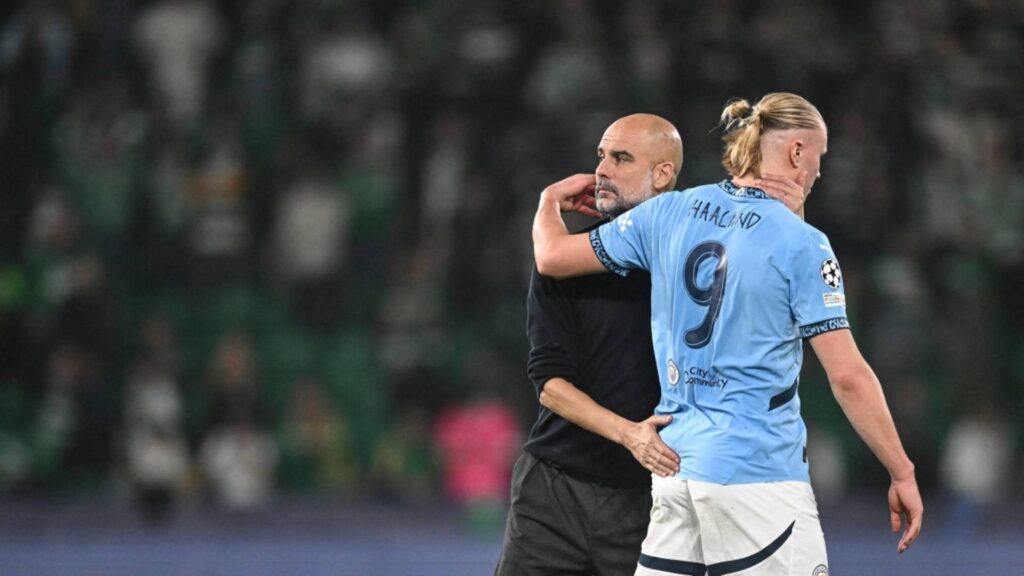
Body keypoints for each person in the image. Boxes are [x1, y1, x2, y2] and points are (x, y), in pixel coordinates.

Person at [532, 94, 923, 574]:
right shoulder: (804, 244)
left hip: (677, 469)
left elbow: (551, 257)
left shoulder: (670, 212)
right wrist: (901, 470)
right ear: (798, 153)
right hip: (757, 475)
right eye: (819, 158)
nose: (819, 173)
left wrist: (549, 201)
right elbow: (848, 378)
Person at [496, 113, 809, 575]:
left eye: (621, 158)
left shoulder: (706, 268)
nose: (602, 169)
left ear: (662, 175)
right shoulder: (565, 264)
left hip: (654, 499)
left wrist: (792, 218)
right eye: (601, 156)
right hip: (554, 491)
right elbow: (549, 384)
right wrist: (629, 434)